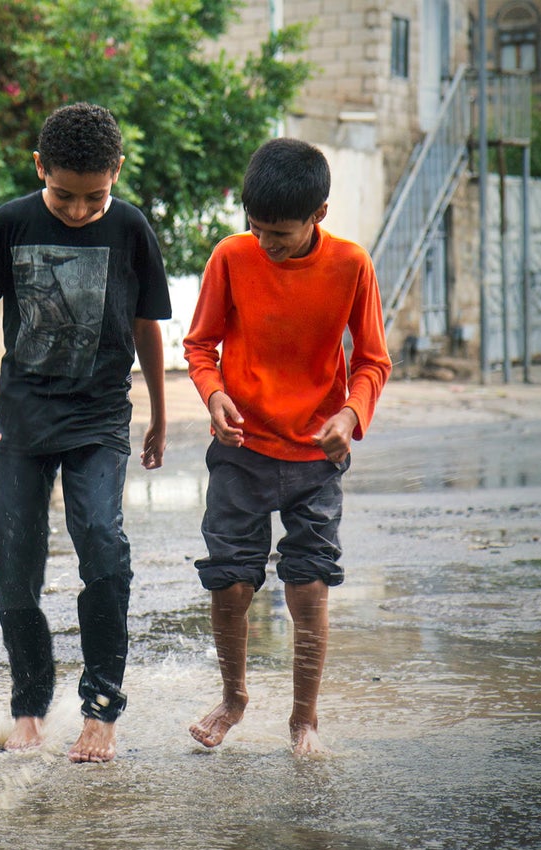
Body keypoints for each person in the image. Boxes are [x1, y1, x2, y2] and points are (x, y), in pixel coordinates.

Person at [0, 103, 171, 764]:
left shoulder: (131, 228)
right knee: (13, 553)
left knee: (102, 542)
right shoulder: (11, 222)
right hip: (20, 416)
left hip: (99, 415)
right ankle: (29, 707)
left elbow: (146, 330)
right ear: (40, 167)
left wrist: (161, 415)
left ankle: (101, 711)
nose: (78, 210)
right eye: (65, 195)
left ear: (118, 174)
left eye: (94, 197)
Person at [182, 137, 392, 756]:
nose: (266, 243)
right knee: (229, 582)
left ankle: (305, 719)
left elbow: (373, 360)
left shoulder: (352, 265)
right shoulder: (231, 257)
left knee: (309, 585)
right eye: (255, 227)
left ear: (318, 216)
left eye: (279, 233)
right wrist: (213, 394)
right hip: (240, 448)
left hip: (315, 456)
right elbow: (201, 346)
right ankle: (234, 698)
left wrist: (352, 414)